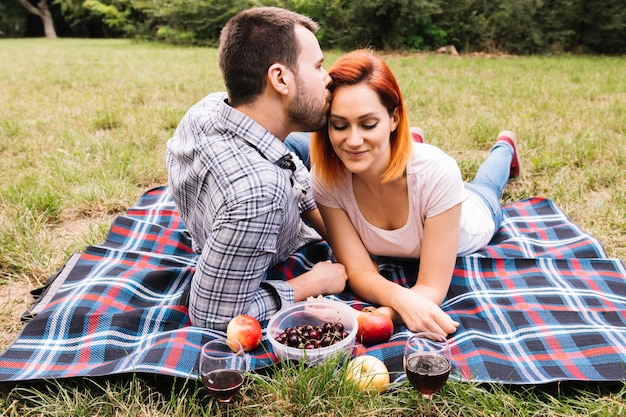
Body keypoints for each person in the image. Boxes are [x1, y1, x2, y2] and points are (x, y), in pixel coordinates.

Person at [310, 50, 521, 336]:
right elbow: (359, 271)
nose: (353, 140)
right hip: (416, 175)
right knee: (392, 157)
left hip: (474, 211)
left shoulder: (438, 171)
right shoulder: (326, 177)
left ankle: (505, 147)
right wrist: (402, 299)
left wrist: (377, 316)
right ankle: (402, 145)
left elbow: (432, 287)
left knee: (487, 185)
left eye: (369, 124)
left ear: (394, 119)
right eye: (339, 125)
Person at [166, 7, 348, 330]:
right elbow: (213, 316)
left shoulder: (208, 107)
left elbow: (290, 171)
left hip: (271, 150)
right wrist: (312, 282)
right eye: (318, 66)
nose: (327, 77)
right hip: (253, 186)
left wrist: (337, 234)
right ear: (280, 78)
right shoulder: (260, 195)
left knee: (318, 145)